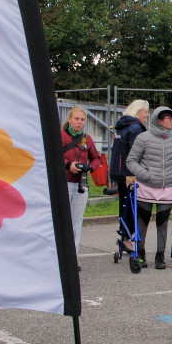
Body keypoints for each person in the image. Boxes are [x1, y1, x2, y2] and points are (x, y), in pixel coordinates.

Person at [127, 106, 172, 269]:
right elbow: (131, 161)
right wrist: (146, 175)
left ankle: (160, 256)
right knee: (142, 221)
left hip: (167, 187)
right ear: (159, 120)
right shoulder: (143, 138)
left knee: (162, 222)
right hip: (146, 186)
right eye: (168, 118)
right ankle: (140, 253)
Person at [60, 105, 101, 255]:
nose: (79, 122)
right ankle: (60, 256)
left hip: (80, 185)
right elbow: (52, 156)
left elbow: (96, 159)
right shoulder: (61, 135)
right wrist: (68, 164)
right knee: (61, 222)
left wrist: (89, 168)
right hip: (63, 182)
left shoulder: (87, 139)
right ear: (70, 119)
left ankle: (73, 257)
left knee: (76, 223)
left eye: (82, 119)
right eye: (76, 119)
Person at [109, 99, 149, 252]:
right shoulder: (136, 128)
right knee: (135, 206)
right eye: (145, 112)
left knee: (125, 204)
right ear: (138, 112)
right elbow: (136, 153)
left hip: (120, 172)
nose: (146, 115)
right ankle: (126, 237)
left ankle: (124, 235)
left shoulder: (122, 127)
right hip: (131, 173)